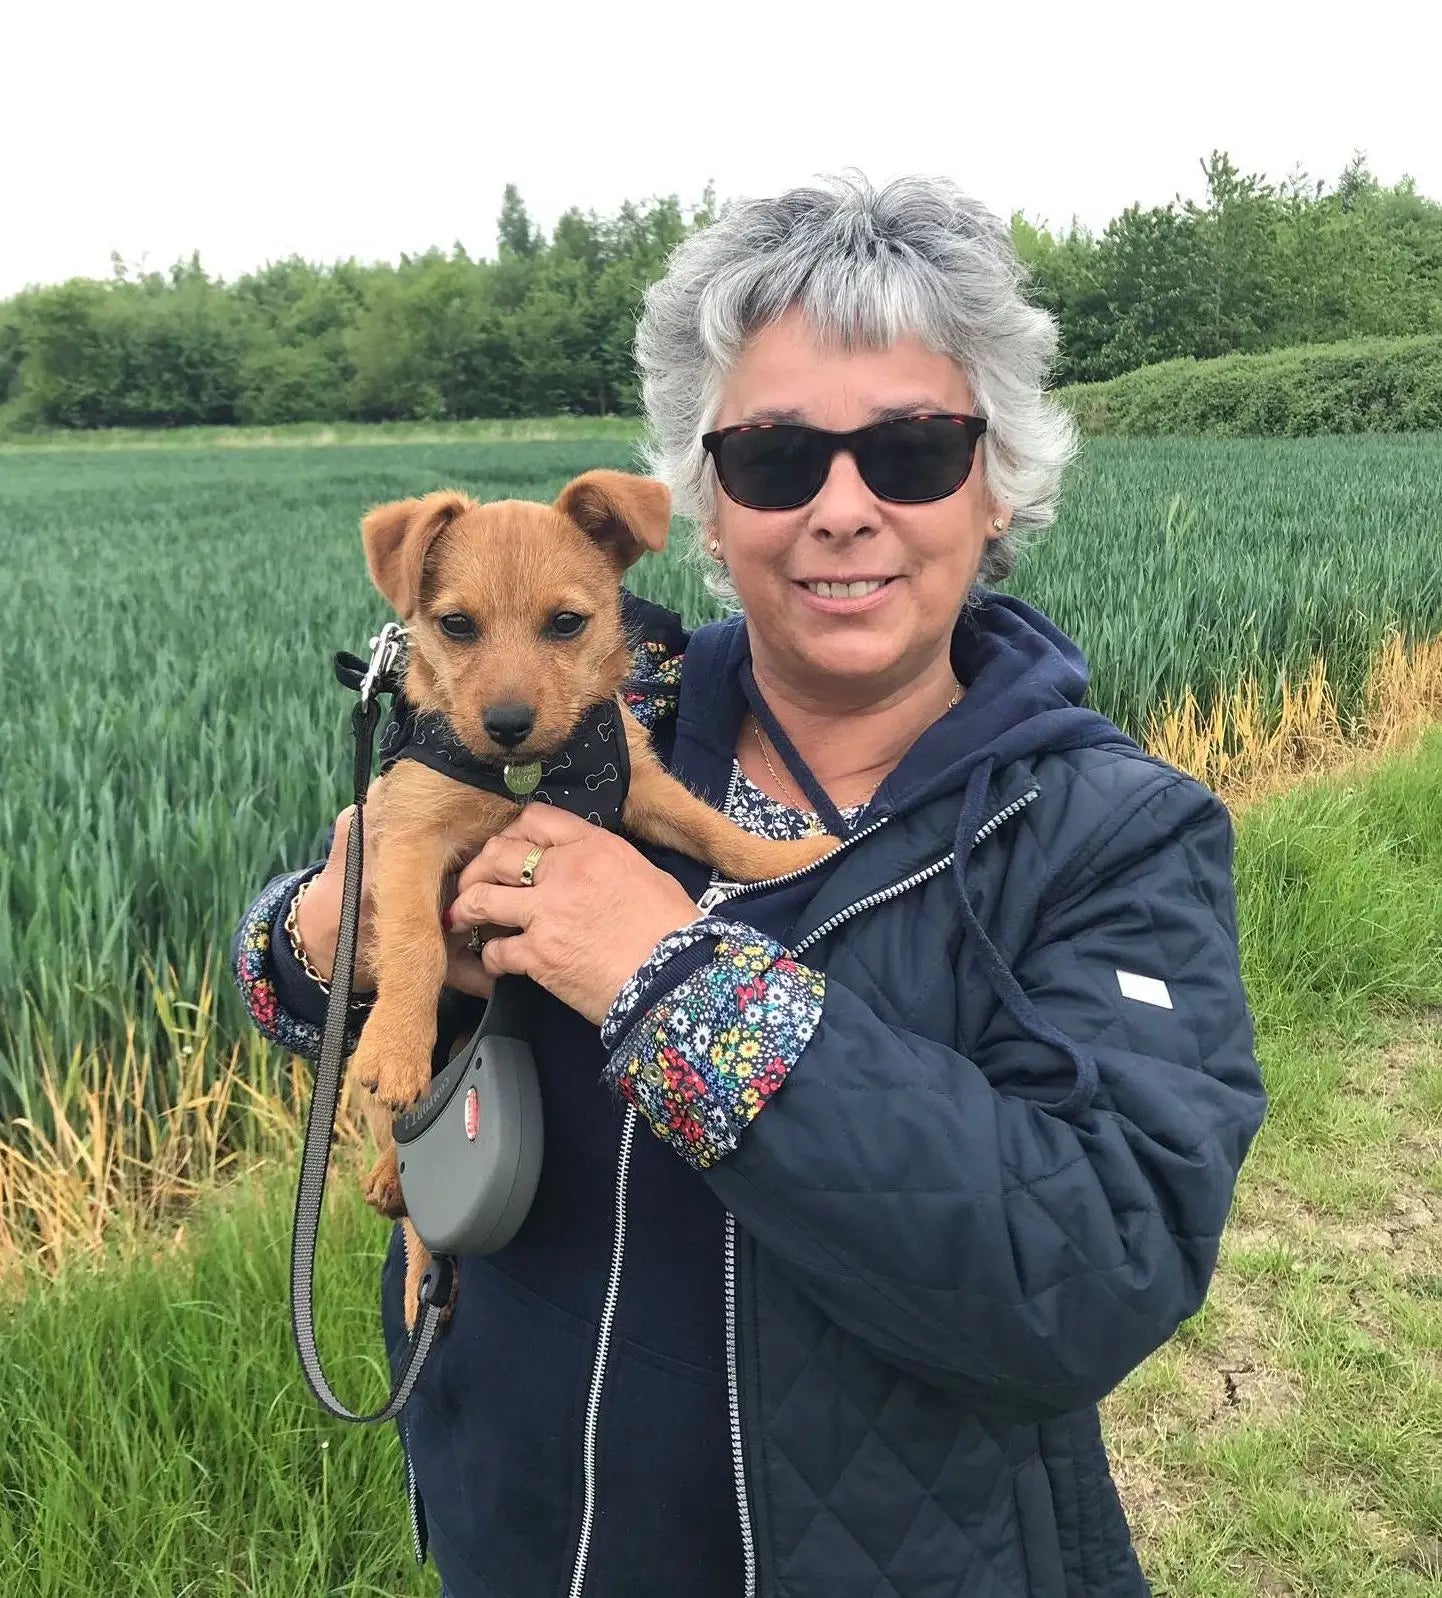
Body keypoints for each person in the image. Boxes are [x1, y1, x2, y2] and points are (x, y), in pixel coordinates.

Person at [231, 173, 1266, 1598]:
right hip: (517, 1536)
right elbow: (303, 969)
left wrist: (675, 980)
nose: (842, 508)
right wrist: (308, 940)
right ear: (706, 509)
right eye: (777, 458)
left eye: (912, 448)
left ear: (999, 480)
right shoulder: (592, 715)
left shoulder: (1105, 831)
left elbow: (1094, 1268)